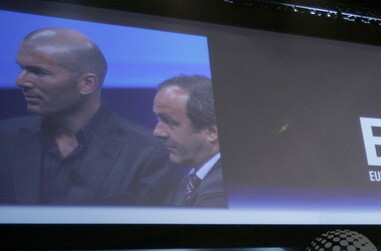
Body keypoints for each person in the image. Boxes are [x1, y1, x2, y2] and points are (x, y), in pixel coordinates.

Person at [0, 28, 177, 205]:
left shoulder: (147, 152)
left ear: (87, 83)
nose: (20, 81)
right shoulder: (4, 137)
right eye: (22, 68)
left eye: (39, 72)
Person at [153, 75, 226, 207]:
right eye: (159, 119)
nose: (157, 132)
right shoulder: (189, 181)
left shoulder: (220, 187)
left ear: (212, 132)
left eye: (169, 122)